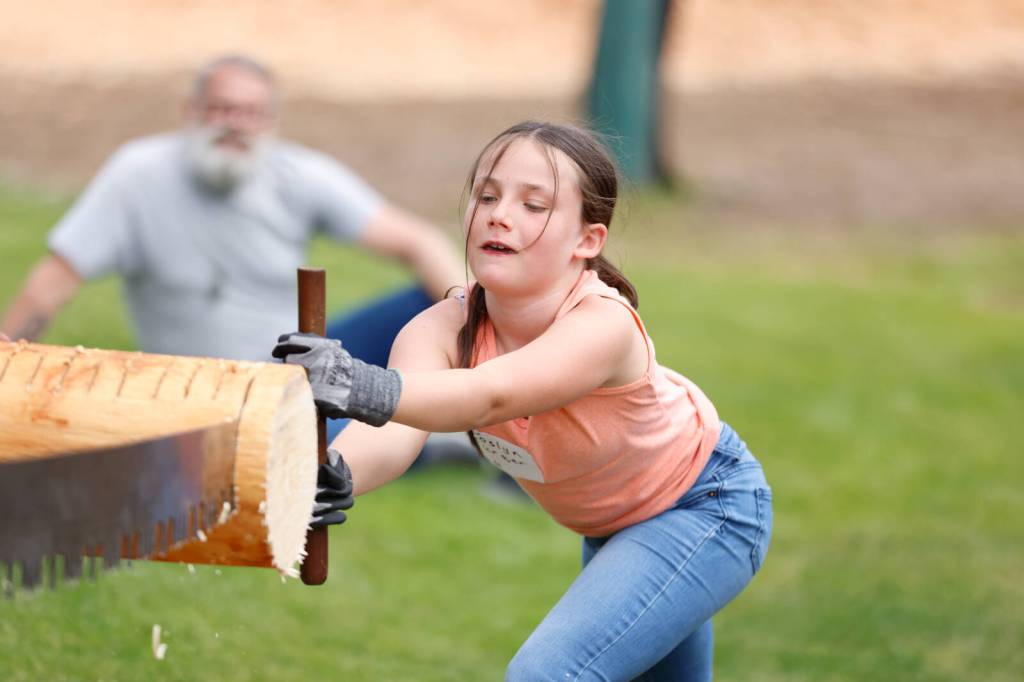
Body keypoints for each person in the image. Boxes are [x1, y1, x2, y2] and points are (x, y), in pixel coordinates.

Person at [274, 120, 774, 680]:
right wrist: (336, 473)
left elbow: (492, 395)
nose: (498, 213)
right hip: (615, 526)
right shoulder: (441, 328)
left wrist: (357, 384)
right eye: (487, 195)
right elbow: (396, 430)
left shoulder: (602, 324)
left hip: (704, 506)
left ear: (588, 241)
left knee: (547, 674)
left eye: (534, 205)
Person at [0, 54, 477, 458]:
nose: (237, 125)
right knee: (301, 443)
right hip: (215, 396)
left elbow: (420, 242)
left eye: (251, 113)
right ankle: (439, 438)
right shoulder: (137, 176)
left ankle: (485, 403)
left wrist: (472, 322)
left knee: (435, 300)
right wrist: (6, 378)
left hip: (301, 359)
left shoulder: (294, 173)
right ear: (191, 111)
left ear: (270, 120)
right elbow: (49, 287)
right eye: (223, 109)